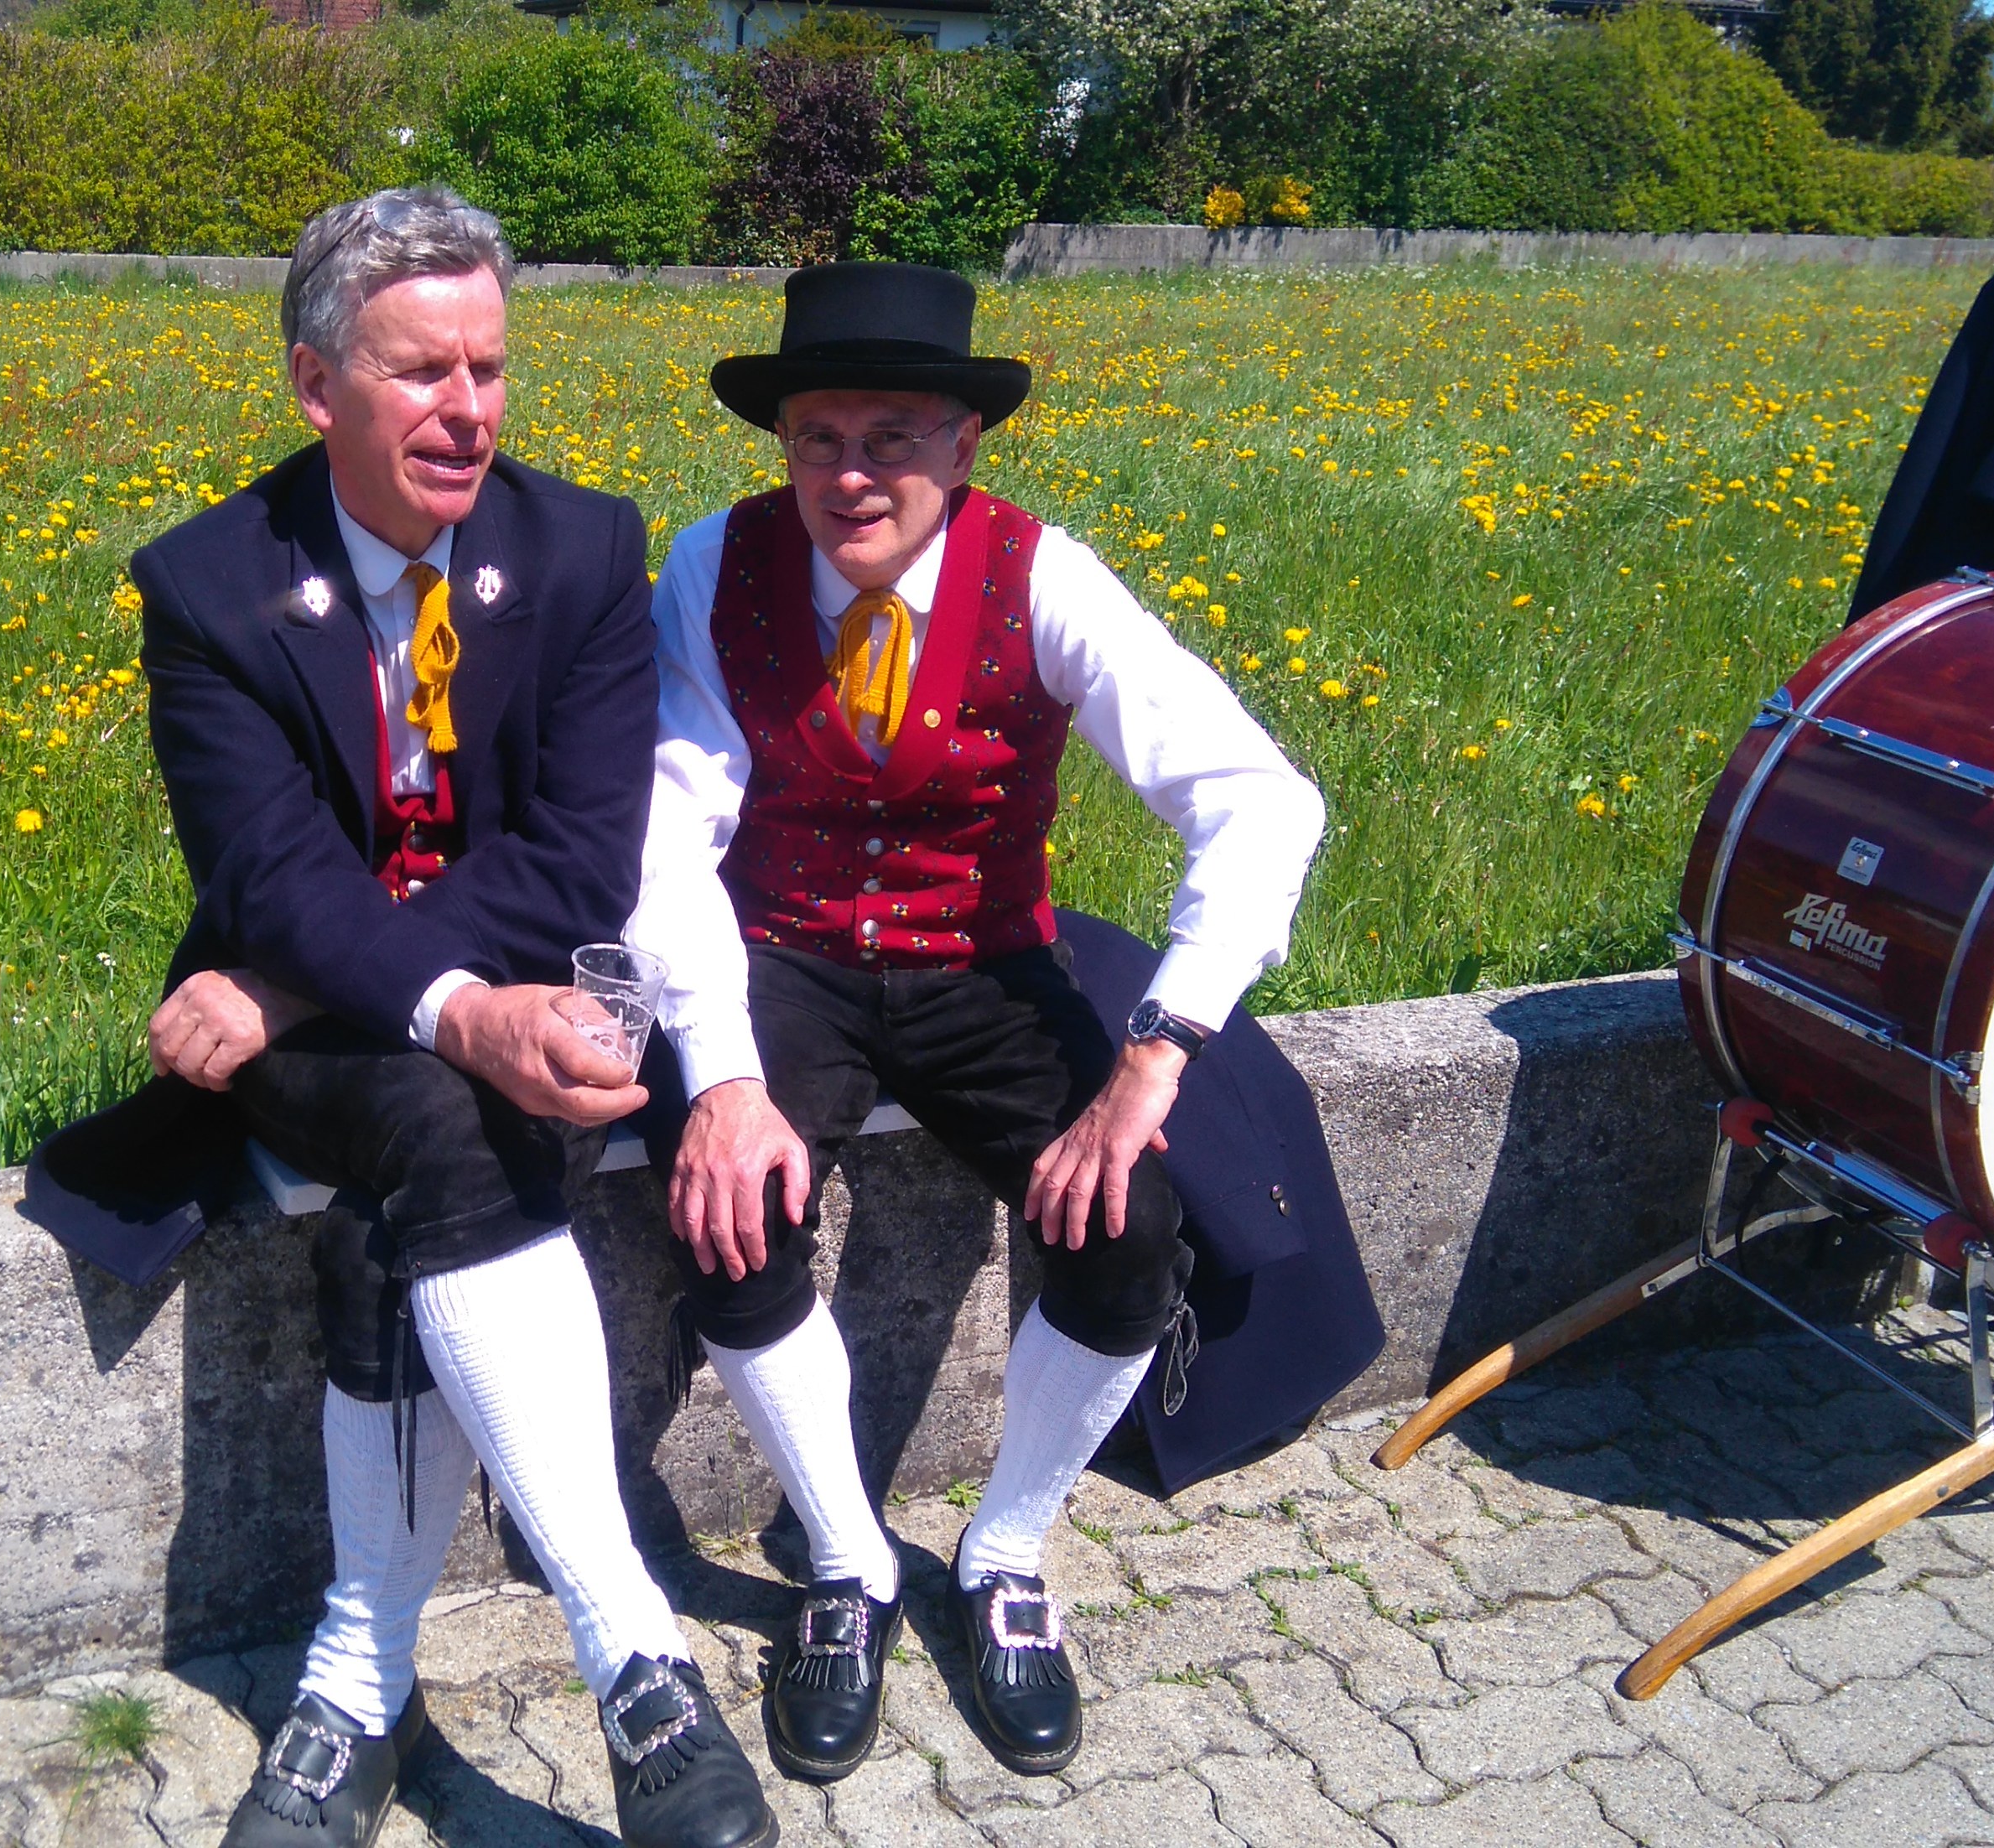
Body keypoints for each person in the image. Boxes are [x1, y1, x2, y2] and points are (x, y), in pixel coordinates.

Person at [129, 186, 776, 1848]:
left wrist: (321, 972)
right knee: (446, 1114)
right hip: (315, 1044)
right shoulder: (209, 585)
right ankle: (636, 1656)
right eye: (423, 371)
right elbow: (265, 866)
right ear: (314, 384)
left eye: (489, 367)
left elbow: (579, 851)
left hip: (360, 989)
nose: (469, 410)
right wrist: (440, 1003)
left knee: (390, 1232)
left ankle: (357, 1681)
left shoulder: (581, 552)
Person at [626, 262, 1327, 1782]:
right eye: (819, 438)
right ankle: (847, 1562)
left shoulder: (1042, 577)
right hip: (783, 950)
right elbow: (669, 831)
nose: (851, 476)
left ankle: (1005, 1550)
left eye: (893, 437)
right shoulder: (712, 564)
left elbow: (1259, 799)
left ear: (963, 443)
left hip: (979, 959)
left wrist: (1156, 1053)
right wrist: (723, 1076)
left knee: (1131, 1225)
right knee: (727, 1213)